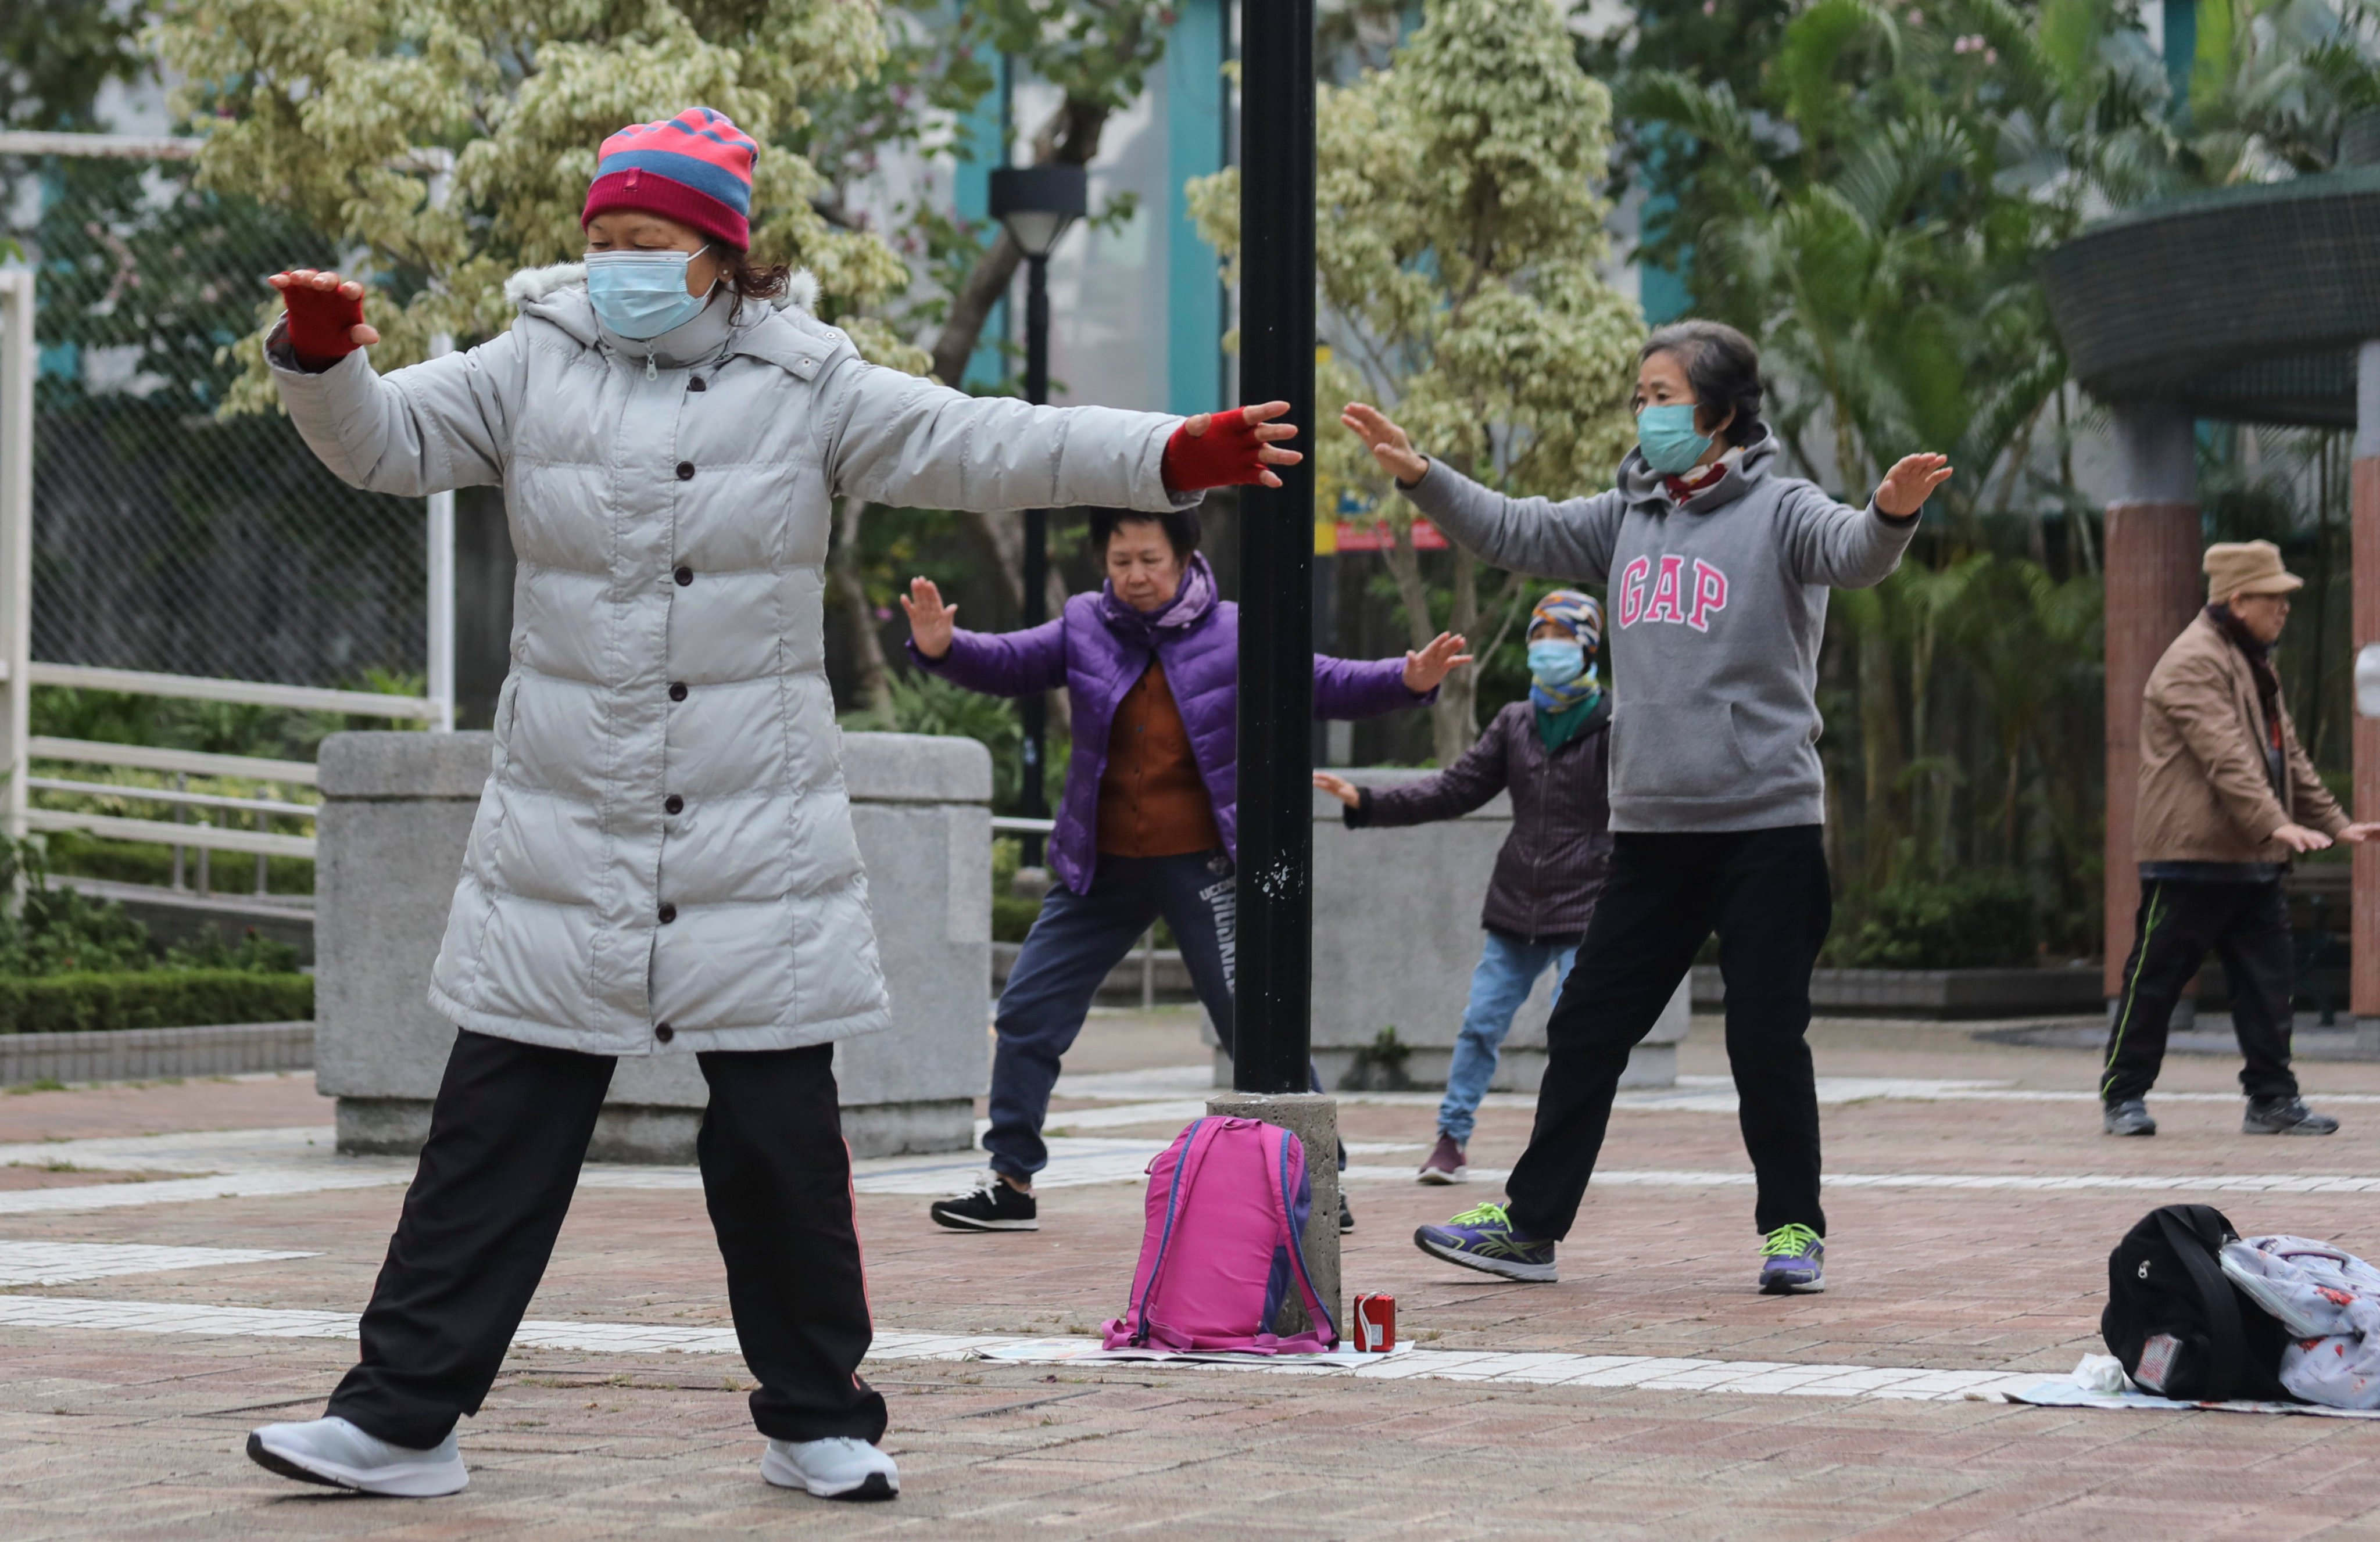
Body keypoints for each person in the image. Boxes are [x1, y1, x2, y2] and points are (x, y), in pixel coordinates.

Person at [238, 106, 1307, 1502]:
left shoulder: (811, 384)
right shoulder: (532, 364)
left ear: (721, 256)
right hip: (569, 835)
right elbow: (382, 445)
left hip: (756, 841)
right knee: (490, 1139)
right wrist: (325, 363)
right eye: (601, 236)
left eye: (648, 240)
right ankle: (399, 1418)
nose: (617, 261)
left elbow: (986, 442)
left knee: (781, 1151)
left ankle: (819, 1416)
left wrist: (1168, 454)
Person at [1343, 318, 1953, 1294]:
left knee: (1763, 1033)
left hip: (1767, 826)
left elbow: (1855, 553)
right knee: (1587, 1023)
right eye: (1640, 398)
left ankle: (1793, 1226)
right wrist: (1423, 475)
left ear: (1719, 413)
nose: (1646, 413)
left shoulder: (1783, 508)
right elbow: (1512, 528)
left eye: (1662, 396)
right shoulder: (1628, 514)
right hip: (1654, 834)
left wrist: (1889, 510)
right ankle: (1530, 1225)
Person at [901, 507, 1468, 1236]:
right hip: (1099, 867)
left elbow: (1319, 681)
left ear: (1185, 557)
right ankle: (1010, 1179)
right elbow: (1011, 662)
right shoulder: (1083, 623)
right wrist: (943, 646)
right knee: (1025, 1012)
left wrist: (1407, 678)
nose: (1135, 576)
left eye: (1149, 560)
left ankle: (1323, 1179)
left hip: (1203, 864)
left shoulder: (1236, 630)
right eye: (1120, 561)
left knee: (1256, 1023)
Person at [1315, 590, 1613, 1184]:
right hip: (1517, 905)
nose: (1548, 649)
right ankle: (1450, 1139)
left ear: (1587, 649)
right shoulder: (1516, 722)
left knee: (1574, 1034)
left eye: (1562, 637)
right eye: (1540, 637)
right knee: (1480, 1022)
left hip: (1589, 905)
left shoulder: (1615, 725)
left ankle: (1559, 1149)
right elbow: (1453, 788)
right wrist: (1368, 802)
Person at [2104, 539, 2378, 1138]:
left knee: (2269, 984)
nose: (2284, 609)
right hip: (2190, 856)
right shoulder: (2192, 660)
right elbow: (2224, 753)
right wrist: (2274, 821)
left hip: (2253, 856)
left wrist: (2335, 821)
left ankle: (2273, 1100)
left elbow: (2288, 755)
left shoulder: (2253, 661)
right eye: (2273, 599)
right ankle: (2123, 1095)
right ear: (2238, 599)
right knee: (2156, 980)